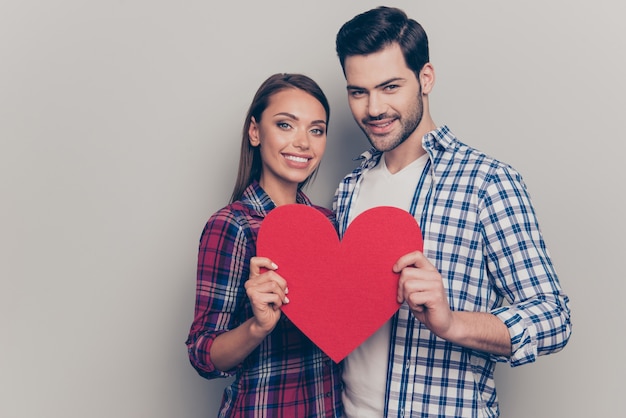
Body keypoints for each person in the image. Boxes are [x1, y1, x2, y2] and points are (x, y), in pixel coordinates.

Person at [333, 6, 572, 417]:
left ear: (425, 78)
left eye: (390, 87)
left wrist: (452, 323)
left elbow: (554, 318)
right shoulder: (348, 189)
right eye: (358, 91)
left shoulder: (487, 182)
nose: (373, 108)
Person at [186, 73, 343, 417]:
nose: (303, 142)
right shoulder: (232, 225)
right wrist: (257, 327)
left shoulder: (330, 225)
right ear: (255, 132)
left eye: (316, 130)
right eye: (286, 125)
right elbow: (202, 353)